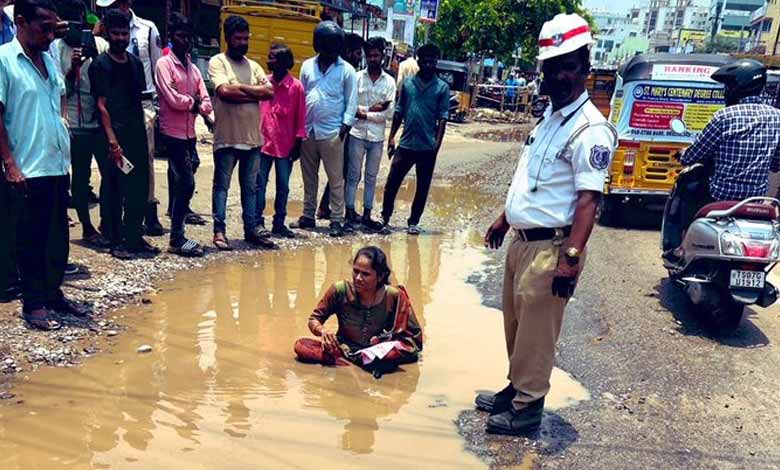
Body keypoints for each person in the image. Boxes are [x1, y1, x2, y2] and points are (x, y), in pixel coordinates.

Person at [476, 14, 616, 436]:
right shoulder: (550, 118)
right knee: (517, 323)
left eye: (567, 65)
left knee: (538, 331)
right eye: (551, 66)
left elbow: (589, 199)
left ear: (585, 67)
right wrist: (505, 219)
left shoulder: (591, 129)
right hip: (523, 241)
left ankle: (527, 408)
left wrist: (570, 258)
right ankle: (517, 387)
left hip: (552, 247)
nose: (557, 74)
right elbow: (532, 182)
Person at [0, 0, 89, 329]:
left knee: (57, 238)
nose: (51, 35)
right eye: (44, 28)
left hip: (55, 163)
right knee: (32, 238)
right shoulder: (4, 61)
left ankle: (53, 294)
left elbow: (59, 98)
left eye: (54, 28)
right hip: (27, 166)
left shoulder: (50, 61)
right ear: (21, 23)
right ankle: (33, 303)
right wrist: (10, 163)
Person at [663, 59, 780, 258]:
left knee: (687, 188)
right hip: (757, 198)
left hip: (719, 195)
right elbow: (776, 163)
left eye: (728, 86)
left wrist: (683, 155)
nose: (726, 91)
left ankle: (680, 246)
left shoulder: (724, 117)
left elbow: (694, 154)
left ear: (737, 88)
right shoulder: (777, 117)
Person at [90, 8, 158, 259]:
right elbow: (101, 105)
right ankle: (115, 239)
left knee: (139, 186)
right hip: (112, 134)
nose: (120, 38)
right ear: (108, 34)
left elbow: (139, 99)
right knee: (114, 187)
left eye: (123, 33)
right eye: (115, 34)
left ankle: (134, 236)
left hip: (135, 131)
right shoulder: (101, 65)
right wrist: (112, 141)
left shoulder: (136, 64)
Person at [294, 246, 423, 375]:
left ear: (380, 276)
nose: (358, 278)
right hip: (343, 349)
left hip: (378, 350)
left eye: (365, 274)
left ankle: (357, 364)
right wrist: (323, 331)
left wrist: (383, 340)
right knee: (301, 346)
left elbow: (413, 339)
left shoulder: (394, 296)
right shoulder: (339, 290)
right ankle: (361, 364)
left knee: (401, 353)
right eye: (356, 271)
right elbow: (314, 319)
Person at [208, 15, 274, 251]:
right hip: (227, 138)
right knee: (222, 187)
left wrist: (242, 89)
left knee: (251, 188)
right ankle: (219, 231)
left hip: (252, 140)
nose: (243, 42)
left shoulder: (253, 65)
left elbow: (269, 92)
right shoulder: (218, 62)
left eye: (246, 38)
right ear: (228, 38)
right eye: (239, 38)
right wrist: (253, 91)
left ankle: (251, 229)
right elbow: (224, 91)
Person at [51, 0, 111, 249]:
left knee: (110, 174)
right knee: (80, 178)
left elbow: (108, 83)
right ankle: (86, 227)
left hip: (98, 120)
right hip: (73, 121)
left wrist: (94, 60)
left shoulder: (101, 45)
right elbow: (58, 89)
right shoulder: (55, 48)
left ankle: (108, 224)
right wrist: (73, 67)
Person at [154, 12, 211, 257]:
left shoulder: (192, 66)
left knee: (187, 173)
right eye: (180, 36)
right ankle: (177, 237)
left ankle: (176, 216)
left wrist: (197, 103)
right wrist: (194, 103)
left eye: (188, 37)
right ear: (171, 37)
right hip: (172, 131)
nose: (184, 41)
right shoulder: (164, 65)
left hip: (189, 131)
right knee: (187, 182)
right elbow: (172, 99)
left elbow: (205, 98)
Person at [294, 20, 357, 237]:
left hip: (332, 133)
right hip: (308, 131)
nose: (330, 50)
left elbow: (351, 100)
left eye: (334, 46)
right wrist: (299, 127)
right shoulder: (307, 66)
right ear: (318, 44)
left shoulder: (347, 70)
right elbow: (301, 95)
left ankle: (336, 220)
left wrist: (344, 127)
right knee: (309, 177)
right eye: (326, 45)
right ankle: (308, 215)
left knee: (335, 178)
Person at [381, 43, 449, 235]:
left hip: (427, 147)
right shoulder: (409, 84)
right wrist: (392, 137)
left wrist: (436, 146)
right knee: (392, 183)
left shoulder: (442, 88)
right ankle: (385, 217)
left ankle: (413, 221)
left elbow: (442, 118)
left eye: (432, 61)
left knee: (422, 187)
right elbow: (399, 111)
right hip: (406, 143)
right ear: (418, 61)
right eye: (425, 61)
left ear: (436, 62)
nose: (428, 64)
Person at [256, 43, 306, 239]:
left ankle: (279, 222)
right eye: (269, 57)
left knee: (283, 186)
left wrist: (299, 144)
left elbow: (301, 118)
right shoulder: (263, 83)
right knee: (259, 184)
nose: (269, 61)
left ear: (284, 63)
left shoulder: (296, 87)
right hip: (263, 143)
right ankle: (258, 222)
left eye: (273, 58)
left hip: (286, 146)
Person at [346, 36, 395, 232]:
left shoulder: (389, 82)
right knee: (352, 175)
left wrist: (363, 113)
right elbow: (350, 106)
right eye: (370, 55)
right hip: (356, 134)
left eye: (376, 55)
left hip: (376, 137)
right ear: (366, 56)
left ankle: (366, 214)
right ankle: (349, 212)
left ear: (382, 56)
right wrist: (373, 110)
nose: (373, 59)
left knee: (371, 176)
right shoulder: (357, 78)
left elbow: (389, 112)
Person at [316, 31, 364, 221]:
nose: (360, 56)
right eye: (358, 52)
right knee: (338, 171)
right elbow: (348, 103)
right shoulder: (344, 70)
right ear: (349, 51)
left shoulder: (346, 70)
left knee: (338, 171)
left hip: (340, 128)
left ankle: (326, 207)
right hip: (336, 129)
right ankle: (325, 208)